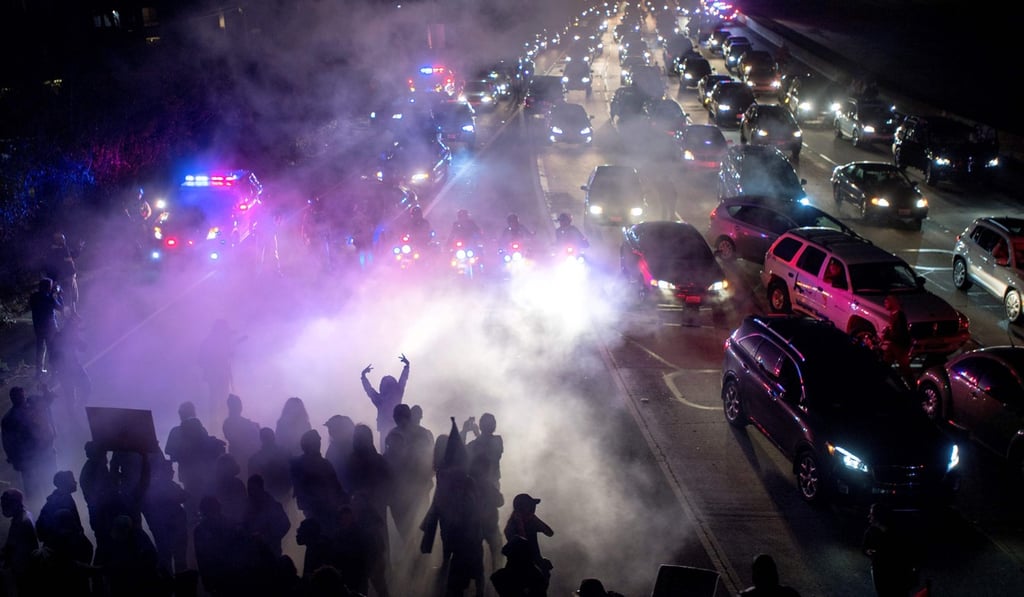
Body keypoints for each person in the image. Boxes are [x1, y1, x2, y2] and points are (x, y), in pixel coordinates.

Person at [1, 385, 58, 507]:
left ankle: (49, 506)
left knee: (49, 482)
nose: (22, 398)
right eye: (19, 396)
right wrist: (14, 459)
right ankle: (40, 508)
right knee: (35, 488)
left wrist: (45, 389)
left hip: (43, 453)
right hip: (29, 458)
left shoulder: (33, 407)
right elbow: (7, 442)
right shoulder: (10, 419)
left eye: (22, 396)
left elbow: (49, 399)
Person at [863, 504, 919, 597]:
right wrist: (867, 551)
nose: (869, 516)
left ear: (879, 516)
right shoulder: (871, 531)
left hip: (896, 572)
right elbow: (864, 547)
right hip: (879, 570)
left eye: (871, 514)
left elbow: (908, 552)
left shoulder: (897, 533)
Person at [197, 319, 246, 425]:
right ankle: (220, 425)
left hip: (218, 375)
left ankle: (219, 424)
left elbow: (201, 360)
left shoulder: (212, 341)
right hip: (217, 375)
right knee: (218, 401)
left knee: (218, 401)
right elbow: (201, 360)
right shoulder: (212, 342)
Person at [361, 354, 411, 449]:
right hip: (397, 428)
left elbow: (369, 389)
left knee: (386, 452)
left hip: (388, 429)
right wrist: (407, 366)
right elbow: (403, 380)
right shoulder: (396, 393)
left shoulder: (380, 400)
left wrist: (363, 377)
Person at [503, 493, 554, 580]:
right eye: (531, 506)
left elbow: (549, 533)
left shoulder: (531, 521)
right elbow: (521, 546)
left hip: (532, 562)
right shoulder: (512, 526)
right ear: (522, 508)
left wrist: (535, 519)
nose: (533, 509)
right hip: (519, 565)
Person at [1, 488, 40, 596]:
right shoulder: (26, 515)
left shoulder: (20, 522)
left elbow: (9, 549)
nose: (3, 507)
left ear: (16, 503)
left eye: (6, 503)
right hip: (28, 568)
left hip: (25, 571)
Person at [222, 393, 262, 480]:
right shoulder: (236, 423)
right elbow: (238, 439)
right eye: (239, 405)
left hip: (238, 456)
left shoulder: (227, 423)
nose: (240, 407)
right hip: (242, 457)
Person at [28, 278, 63, 375]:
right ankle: (54, 368)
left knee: (40, 349)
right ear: (48, 287)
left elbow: (31, 305)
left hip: (38, 327)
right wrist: (59, 296)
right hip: (50, 327)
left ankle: (39, 370)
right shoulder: (50, 299)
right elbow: (60, 307)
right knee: (52, 348)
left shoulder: (33, 297)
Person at [43, 232, 80, 317]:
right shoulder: (53, 250)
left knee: (73, 295)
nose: (63, 240)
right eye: (61, 239)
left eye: (63, 239)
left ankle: (73, 313)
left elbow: (73, 255)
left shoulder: (64, 248)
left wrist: (79, 248)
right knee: (66, 296)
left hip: (71, 275)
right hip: (63, 277)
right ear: (56, 240)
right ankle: (66, 314)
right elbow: (54, 264)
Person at [881, 295, 913, 382]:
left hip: (900, 346)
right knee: (886, 362)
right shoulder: (893, 314)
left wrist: (888, 335)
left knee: (904, 368)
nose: (885, 304)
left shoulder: (899, 315)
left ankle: (912, 387)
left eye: (887, 303)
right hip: (894, 344)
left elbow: (900, 332)